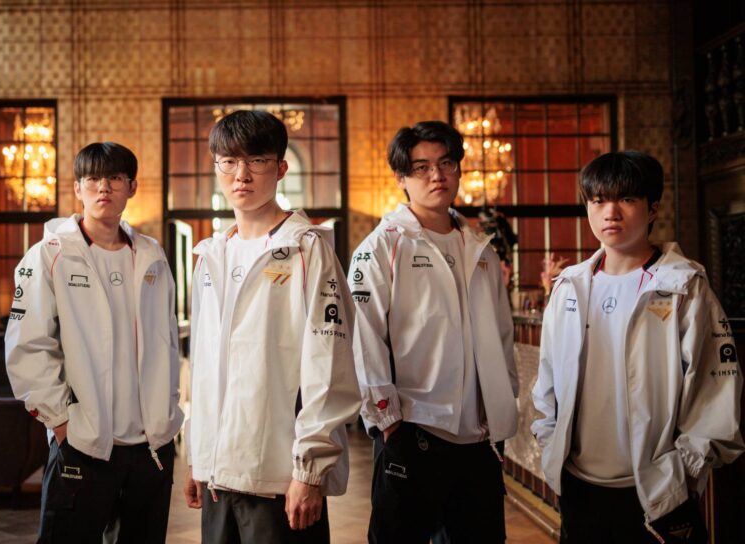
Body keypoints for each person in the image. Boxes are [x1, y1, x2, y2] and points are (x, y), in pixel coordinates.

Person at [532, 150, 744, 543]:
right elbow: (547, 382)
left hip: (656, 493)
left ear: (652, 209)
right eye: (598, 200)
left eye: (626, 199)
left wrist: (680, 474)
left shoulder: (684, 286)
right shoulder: (569, 286)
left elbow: (715, 390)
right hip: (578, 486)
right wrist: (549, 446)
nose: (610, 212)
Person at [182, 110, 361, 543]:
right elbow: (204, 368)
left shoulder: (306, 250)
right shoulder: (211, 256)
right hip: (217, 475)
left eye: (256, 161)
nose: (241, 174)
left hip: (280, 477)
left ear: (280, 168)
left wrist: (310, 472)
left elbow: (329, 368)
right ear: (216, 167)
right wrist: (197, 456)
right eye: (229, 161)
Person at [349, 120, 518, 543]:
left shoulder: (480, 248)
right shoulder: (382, 246)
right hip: (413, 432)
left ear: (458, 169)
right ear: (401, 178)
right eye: (421, 167)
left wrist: (501, 406)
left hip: (477, 440)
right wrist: (389, 424)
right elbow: (364, 340)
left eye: (445, 163)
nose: (436, 175)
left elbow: (501, 335)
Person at [5, 142, 183, 543]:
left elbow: (167, 342)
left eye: (115, 178)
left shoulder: (152, 255)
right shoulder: (49, 255)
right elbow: (28, 346)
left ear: (132, 186)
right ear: (77, 188)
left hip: (150, 446)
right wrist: (62, 423)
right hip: (83, 442)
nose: (104, 187)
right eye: (93, 179)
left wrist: (168, 413)